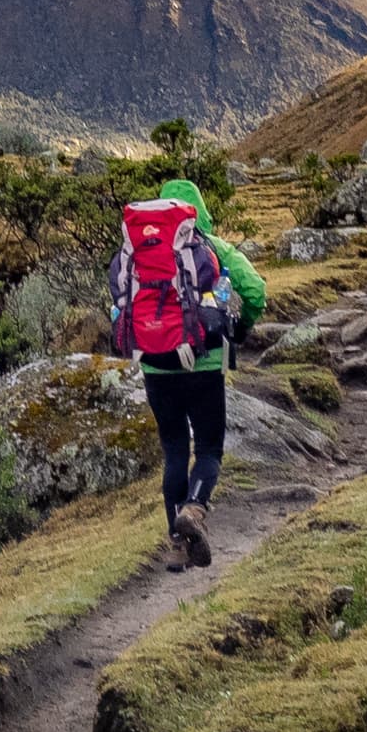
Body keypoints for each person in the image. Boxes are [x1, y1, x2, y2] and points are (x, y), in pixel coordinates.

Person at [139, 174, 264, 567]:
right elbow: (256, 290)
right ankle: (194, 508)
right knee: (208, 449)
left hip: (156, 365)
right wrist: (240, 330)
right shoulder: (214, 247)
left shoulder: (141, 248)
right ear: (199, 210)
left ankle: (177, 547)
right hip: (204, 362)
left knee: (174, 451)